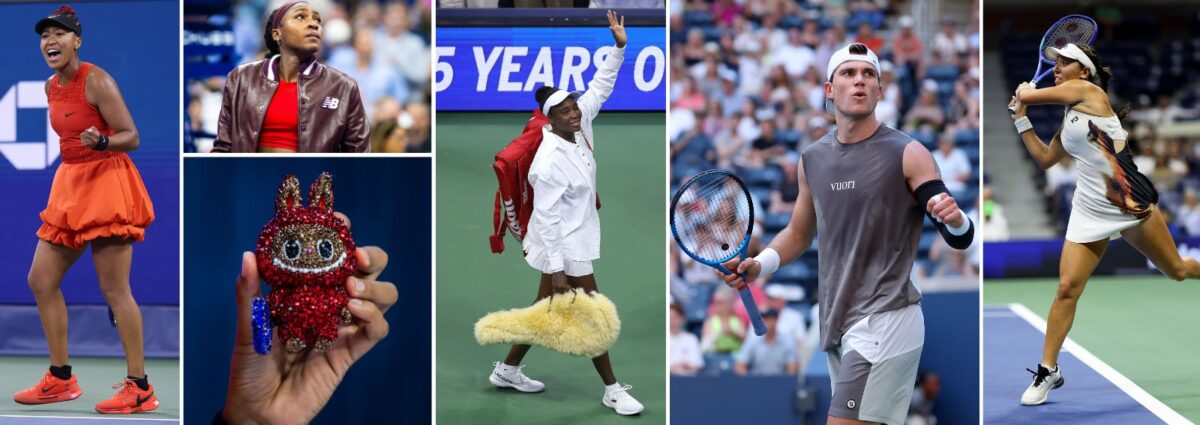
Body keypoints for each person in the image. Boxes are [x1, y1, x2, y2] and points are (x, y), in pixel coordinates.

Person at [718, 43, 975, 425]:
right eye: (849, 73)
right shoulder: (812, 159)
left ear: (880, 90)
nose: (859, 81)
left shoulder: (909, 153)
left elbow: (959, 236)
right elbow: (798, 233)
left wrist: (956, 220)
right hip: (839, 322)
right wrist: (760, 264)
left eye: (868, 74)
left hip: (887, 317)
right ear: (829, 89)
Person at [1008, 42, 1200, 406]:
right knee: (1066, 288)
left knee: (1176, 270)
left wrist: (1024, 95)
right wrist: (1021, 121)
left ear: (1084, 70)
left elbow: (1034, 94)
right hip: (1088, 208)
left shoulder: (1088, 91)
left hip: (1128, 202)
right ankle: (1048, 369)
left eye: (1065, 62)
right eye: (1056, 63)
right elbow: (1047, 159)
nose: (1057, 68)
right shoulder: (1070, 119)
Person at [486, 11, 644, 416]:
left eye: (575, 106)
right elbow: (548, 220)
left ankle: (506, 370)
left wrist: (619, 47)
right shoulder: (547, 164)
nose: (575, 112)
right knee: (593, 312)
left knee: (544, 311)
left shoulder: (580, 121)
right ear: (550, 121)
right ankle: (611, 388)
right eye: (567, 111)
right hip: (562, 242)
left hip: (579, 231)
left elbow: (601, 86)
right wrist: (558, 270)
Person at [13, 6, 160, 414]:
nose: (50, 41)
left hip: (107, 180)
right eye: (45, 36)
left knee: (115, 290)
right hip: (71, 184)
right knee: (41, 280)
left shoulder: (97, 81)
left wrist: (102, 142)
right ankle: (60, 380)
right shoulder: (49, 86)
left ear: (77, 41)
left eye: (60, 34)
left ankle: (140, 388)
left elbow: (132, 136)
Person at [218, 214, 398, 423]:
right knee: (292, 329)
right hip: (288, 332)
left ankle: (323, 337)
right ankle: (296, 338)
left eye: (323, 248)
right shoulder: (281, 295)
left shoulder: (333, 292)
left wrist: (347, 309)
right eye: (294, 248)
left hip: (326, 326)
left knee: (327, 326)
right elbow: (269, 312)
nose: (310, 252)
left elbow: (341, 304)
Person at [213, 1, 369, 153]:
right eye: (301, 17)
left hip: (310, 178)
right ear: (277, 34)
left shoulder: (344, 87)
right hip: (250, 176)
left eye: (317, 20)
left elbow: (360, 157)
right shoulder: (241, 78)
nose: (313, 24)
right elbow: (223, 148)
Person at [733, 309, 798, 376]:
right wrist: (750, 381)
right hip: (756, 382)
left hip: (779, 382)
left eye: (770, 319)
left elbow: (792, 368)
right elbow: (739, 365)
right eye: (765, 319)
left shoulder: (787, 341)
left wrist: (785, 383)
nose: (767, 322)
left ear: (776, 320)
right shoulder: (753, 340)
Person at [670, 303, 704, 376]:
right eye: (669, 318)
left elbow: (696, 364)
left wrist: (684, 366)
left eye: (674, 318)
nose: (671, 321)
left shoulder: (691, 339)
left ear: (682, 319)